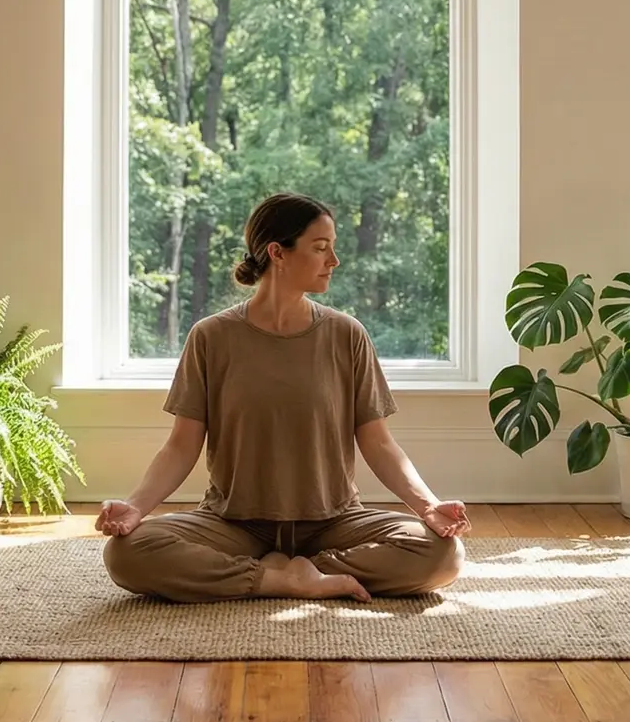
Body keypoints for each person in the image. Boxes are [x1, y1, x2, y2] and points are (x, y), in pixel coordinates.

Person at [98, 192, 470, 602]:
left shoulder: (346, 335)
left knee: (443, 554)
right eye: (321, 247)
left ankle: (305, 570)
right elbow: (181, 445)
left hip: (334, 522)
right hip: (234, 523)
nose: (334, 260)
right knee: (127, 553)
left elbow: (379, 443)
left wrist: (428, 506)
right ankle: (279, 578)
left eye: (333, 248)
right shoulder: (211, 337)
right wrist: (135, 507)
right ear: (278, 252)